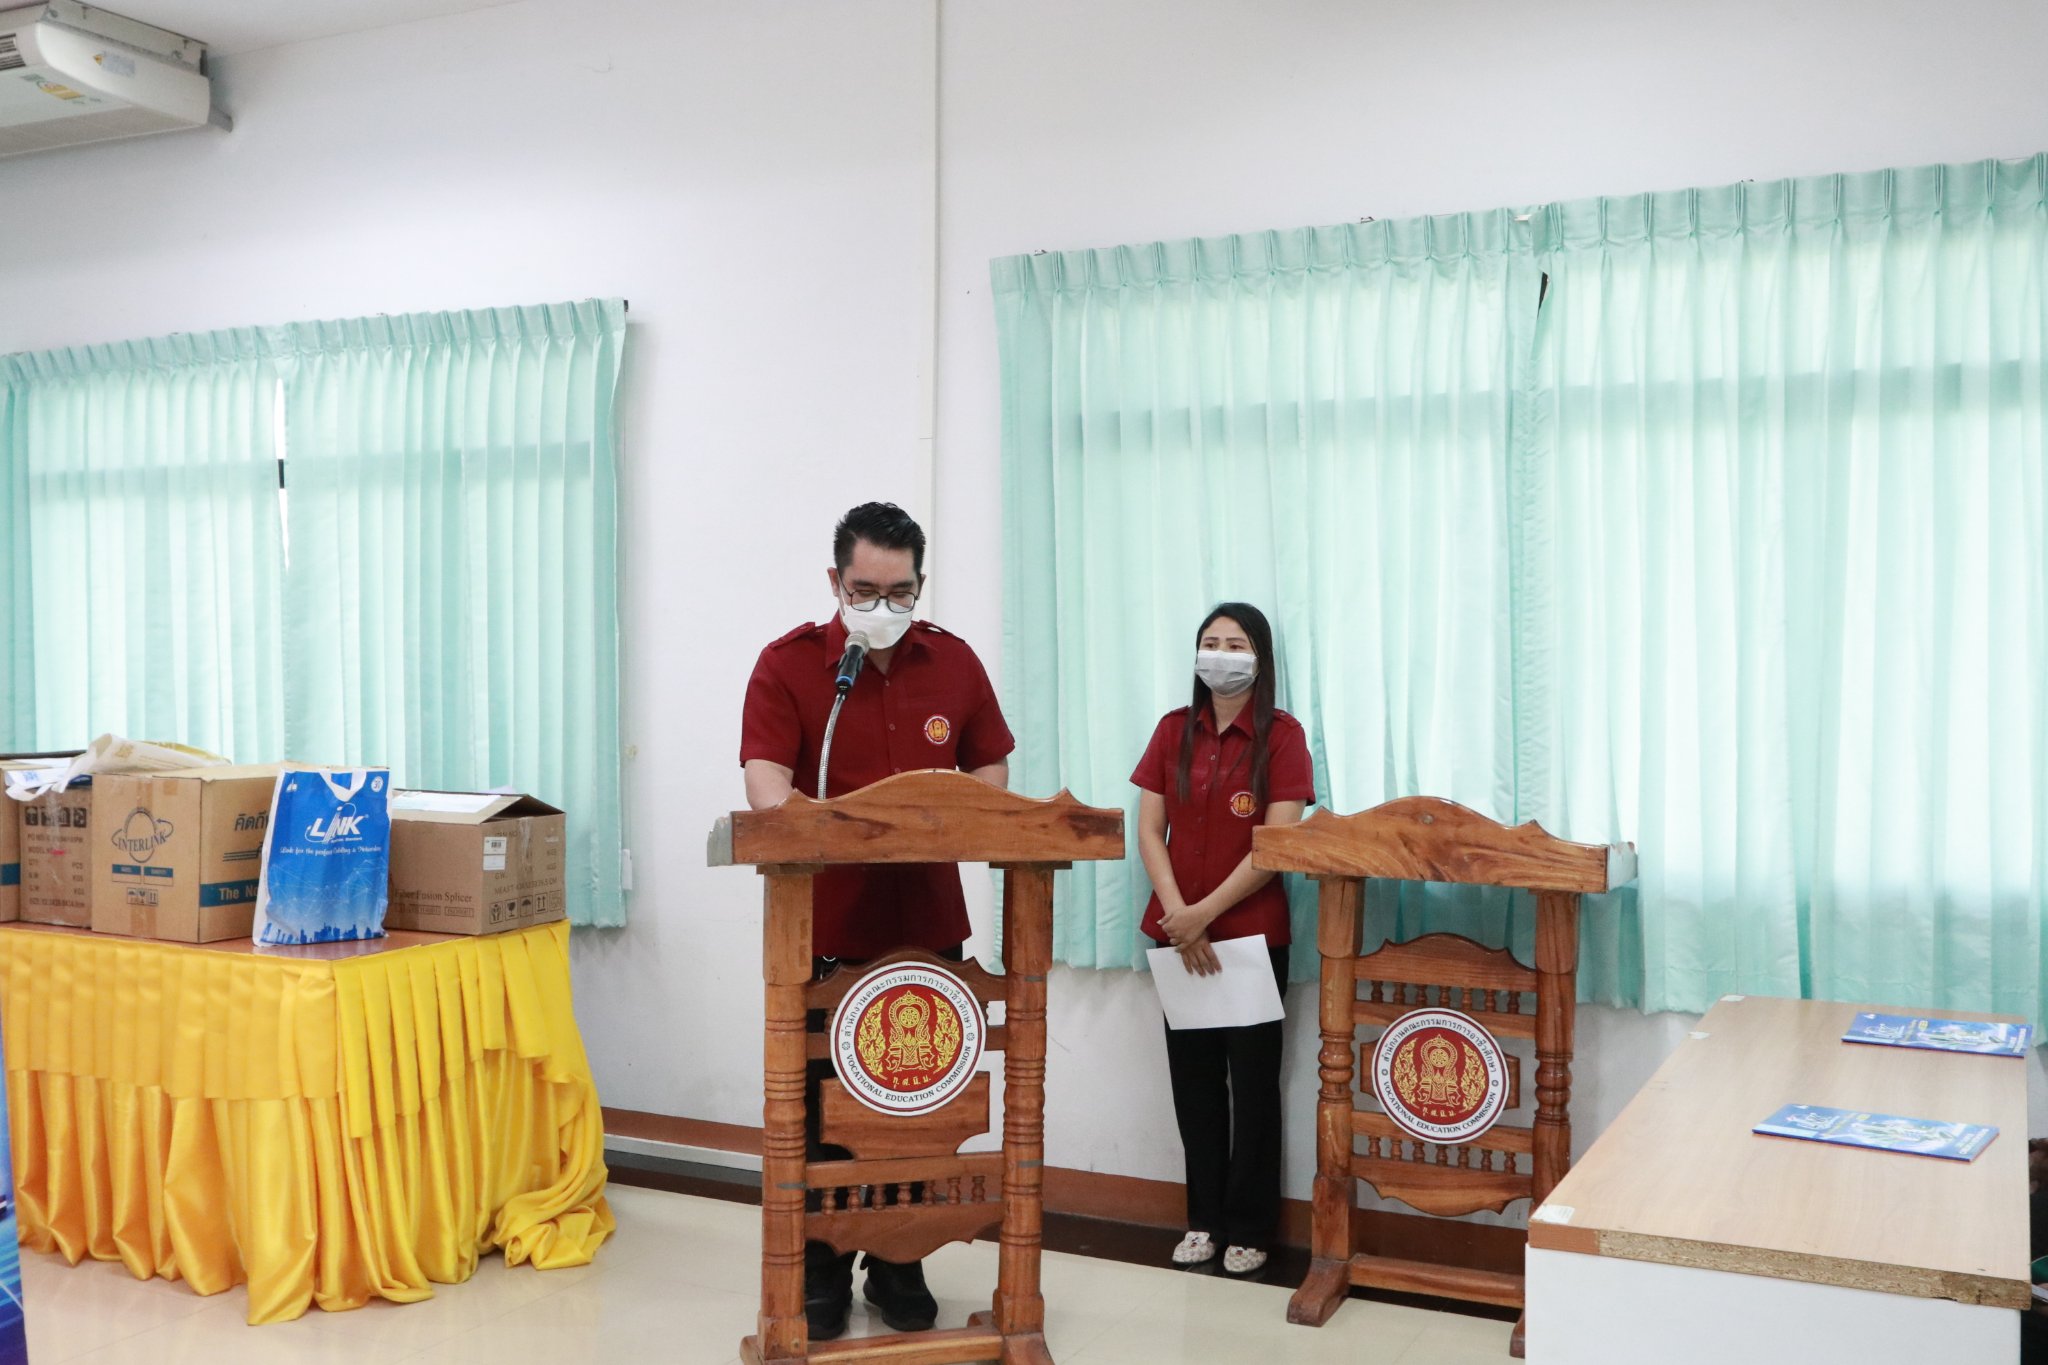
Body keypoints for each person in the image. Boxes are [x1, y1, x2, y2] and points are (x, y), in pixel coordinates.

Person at [740, 501, 1015, 1340]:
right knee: (826, 1106)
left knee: (919, 1099)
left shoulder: (954, 662)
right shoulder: (790, 665)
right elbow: (766, 783)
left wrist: (956, 819)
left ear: (920, 584)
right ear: (836, 580)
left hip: (927, 924)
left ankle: (901, 1257)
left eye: (900, 592)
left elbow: (993, 773)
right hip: (827, 926)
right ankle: (822, 1261)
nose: (883, 606)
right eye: (865, 590)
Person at [1131, 602, 1314, 1278]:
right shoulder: (1172, 730)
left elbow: (1277, 844)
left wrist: (1204, 912)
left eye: (1236, 644)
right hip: (1179, 938)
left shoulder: (1283, 737)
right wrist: (1180, 916)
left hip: (1250, 941)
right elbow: (1149, 830)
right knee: (1195, 1084)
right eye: (1211, 641)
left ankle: (1251, 1227)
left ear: (1260, 658)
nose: (1221, 653)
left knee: (1255, 1089)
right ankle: (1203, 1220)